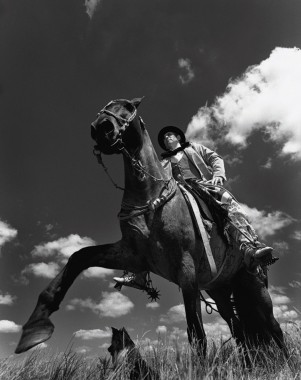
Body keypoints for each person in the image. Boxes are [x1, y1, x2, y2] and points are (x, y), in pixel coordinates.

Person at [113, 126, 276, 290]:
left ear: (178, 137)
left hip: (200, 186)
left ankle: (249, 246)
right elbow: (155, 179)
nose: (166, 138)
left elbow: (215, 158)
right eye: (164, 138)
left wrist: (218, 175)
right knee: (147, 218)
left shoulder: (194, 148)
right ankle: (138, 273)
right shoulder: (164, 162)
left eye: (169, 135)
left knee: (227, 201)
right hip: (175, 193)